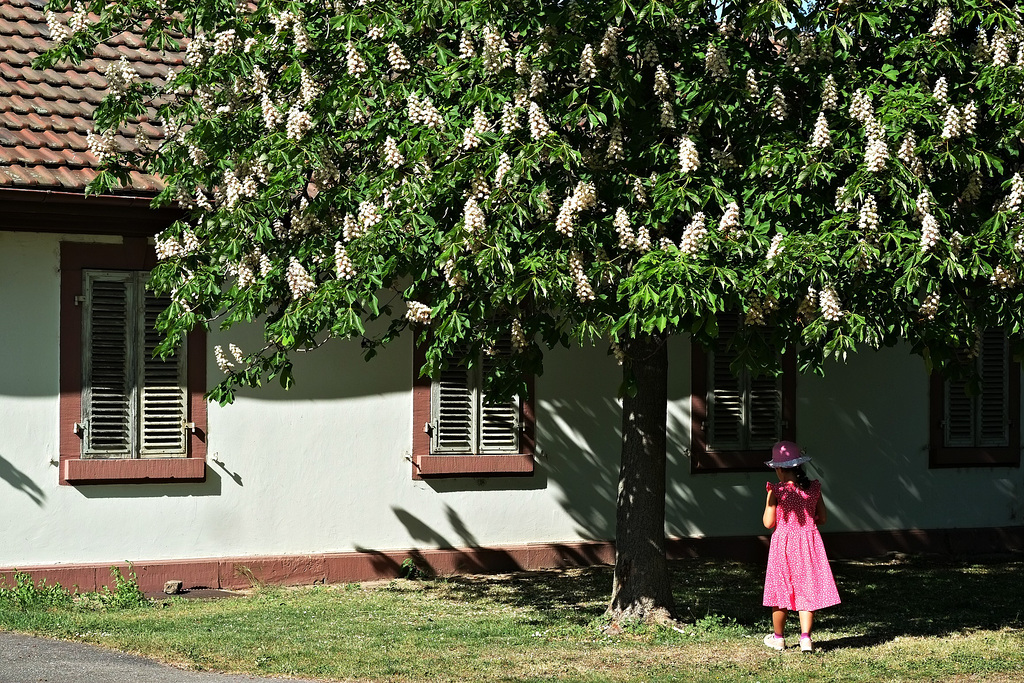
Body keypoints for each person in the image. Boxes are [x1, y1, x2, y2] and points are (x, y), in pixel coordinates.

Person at [761, 440, 840, 653]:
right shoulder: (813, 488)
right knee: (807, 589)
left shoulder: (775, 491)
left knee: (780, 591)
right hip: (808, 543)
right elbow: (822, 518)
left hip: (783, 546)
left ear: (778, 469)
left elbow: (768, 523)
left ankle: (778, 638)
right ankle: (806, 638)